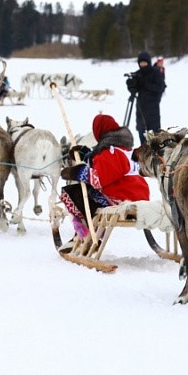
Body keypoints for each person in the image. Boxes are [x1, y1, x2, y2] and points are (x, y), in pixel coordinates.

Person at [59, 113, 150, 247]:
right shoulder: (124, 149)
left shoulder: (111, 151)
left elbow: (99, 179)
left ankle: (88, 235)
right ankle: (90, 231)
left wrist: (77, 172)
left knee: (71, 193)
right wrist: (87, 156)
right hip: (139, 195)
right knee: (86, 193)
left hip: (123, 198)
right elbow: (107, 169)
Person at [125, 51, 166, 144]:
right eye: (141, 63)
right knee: (141, 130)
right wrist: (130, 85)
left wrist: (145, 84)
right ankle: (144, 151)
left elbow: (160, 87)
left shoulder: (155, 72)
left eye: (145, 63)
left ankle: (156, 151)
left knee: (156, 133)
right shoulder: (137, 74)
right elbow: (134, 89)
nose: (143, 65)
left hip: (153, 106)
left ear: (149, 62)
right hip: (141, 106)